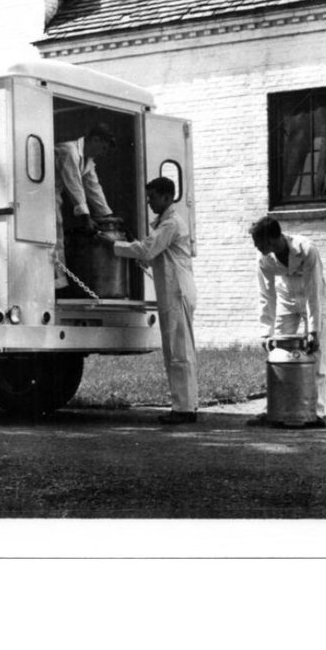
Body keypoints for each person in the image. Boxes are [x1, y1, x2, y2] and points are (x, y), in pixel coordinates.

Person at [98, 177, 199, 424]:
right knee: (175, 350)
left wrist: (114, 245)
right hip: (172, 291)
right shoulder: (166, 223)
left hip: (177, 291)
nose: (149, 202)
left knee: (179, 351)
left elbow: (147, 250)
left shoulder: (171, 224)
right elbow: (153, 253)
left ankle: (185, 408)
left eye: (152, 197)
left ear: (166, 197)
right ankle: (184, 405)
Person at [249, 216, 326, 428]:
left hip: (314, 298)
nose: (256, 246)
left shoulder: (307, 249)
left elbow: (313, 290)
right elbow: (266, 295)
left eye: (258, 242)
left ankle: (316, 412)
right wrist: (266, 332)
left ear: (271, 239)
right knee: (277, 353)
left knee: (317, 355)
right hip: (286, 298)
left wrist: (313, 331)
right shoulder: (263, 258)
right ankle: (275, 409)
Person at [53, 123, 116, 292]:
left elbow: (94, 188)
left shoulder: (87, 161)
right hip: (43, 194)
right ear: (94, 140)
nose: (102, 154)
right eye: (102, 148)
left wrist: (108, 217)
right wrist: (85, 218)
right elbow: (74, 184)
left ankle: (59, 282)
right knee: (54, 235)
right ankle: (56, 284)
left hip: (54, 195)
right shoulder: (69, 151)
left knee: (57, 236)